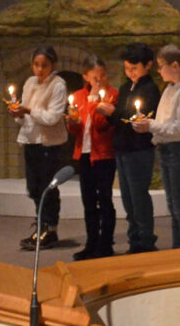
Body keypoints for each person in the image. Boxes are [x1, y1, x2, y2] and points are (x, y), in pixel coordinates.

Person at [131, 44, 180, 248]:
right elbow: (165, 120)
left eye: (162, 66)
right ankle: (176, 249)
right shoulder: (170, 89)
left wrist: (151, 125)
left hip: (178, 151)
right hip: (165, 149)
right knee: (173, 206)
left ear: (176, 66)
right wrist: (148, 123)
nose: (159, 70)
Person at [99, 42, 161, 253]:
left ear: (148, 65)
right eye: (127, 68)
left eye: (134, 68)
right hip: (122, 148)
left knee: (138, 196)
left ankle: (145, 241)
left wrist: (113, 113)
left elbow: (138, 119)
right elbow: (121, 118)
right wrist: (110, 114)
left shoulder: (151, 89)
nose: (130, 73)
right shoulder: (126, 87)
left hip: (139, 149)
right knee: (127, 197)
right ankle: (134, 239)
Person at [10, 45, 68, 250]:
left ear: (53, 65)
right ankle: (40, 225)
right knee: (34, 188)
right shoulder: (29, 83)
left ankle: (50, 229)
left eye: (44, 65)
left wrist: (28, 110)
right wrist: (18, 114)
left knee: (47, 188)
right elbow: (25, 118)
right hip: (30, 141)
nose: (40, 69)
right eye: (36, 64)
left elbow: (52, 117)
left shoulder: (58, 85)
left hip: (48, 143)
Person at [67, 55, 118, 260]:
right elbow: (76, 129)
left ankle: (106, 244)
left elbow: (100, 124)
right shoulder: (79, 95)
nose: (100, 81)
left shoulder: (112, 95)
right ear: (86, 77)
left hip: (104, 154)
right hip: (84, 153)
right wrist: (71, 121)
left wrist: (95, 99)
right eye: (95, 78)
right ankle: (91, 242)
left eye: (103, 76)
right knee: (88, 200)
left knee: (104, 199)